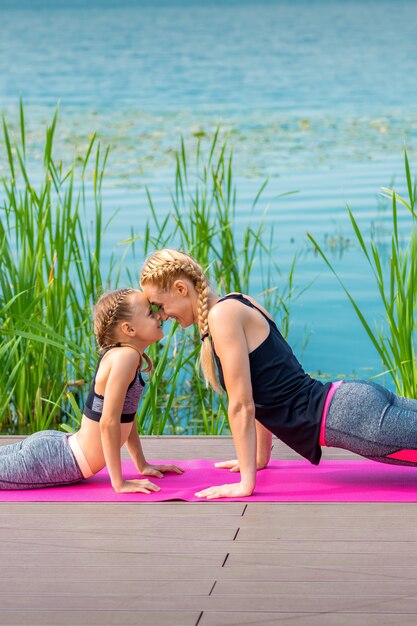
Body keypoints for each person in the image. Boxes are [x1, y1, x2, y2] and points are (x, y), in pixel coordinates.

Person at [140, 248, 417, 500]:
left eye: (159, 306)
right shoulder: (237, 302)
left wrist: (245, 484)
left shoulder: (221, 317)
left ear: (179, 288)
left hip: (350, 419)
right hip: (350, 400)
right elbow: (264, 390)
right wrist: (259, 458)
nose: (161, 316)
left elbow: (242, 405)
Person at [0, 288, 184, 492]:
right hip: (60, 460)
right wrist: (119, 483)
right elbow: (108, 422)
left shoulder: (126, 356)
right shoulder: (125, 357)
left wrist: (142, 465)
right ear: (129, 329)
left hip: (57, 449)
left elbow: (127, 417)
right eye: (150, 313)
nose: (160, 316)